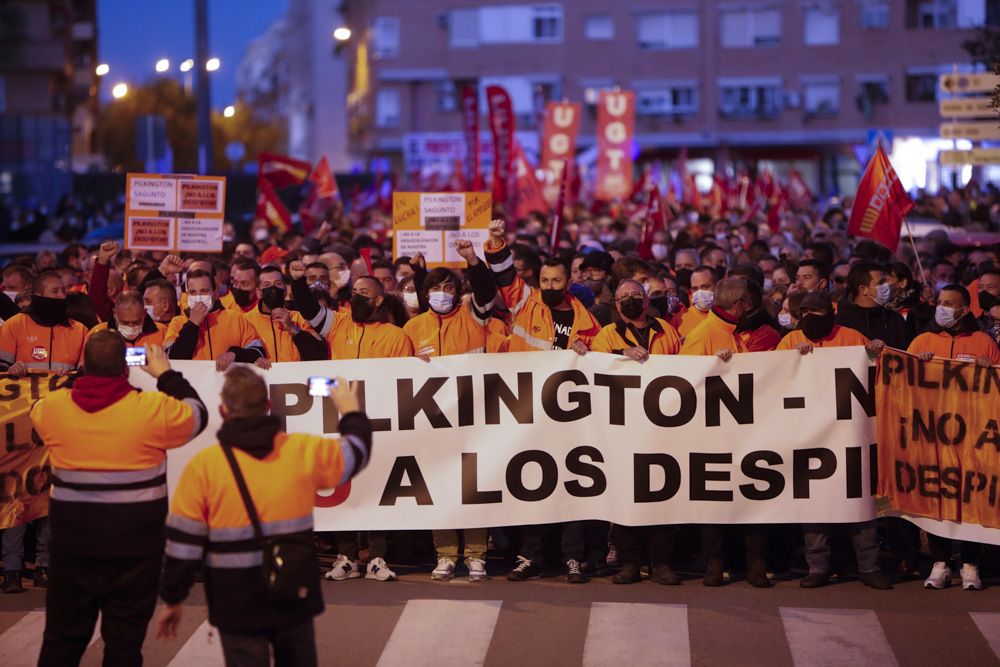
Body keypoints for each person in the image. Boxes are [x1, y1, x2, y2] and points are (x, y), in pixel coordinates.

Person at [156, 366, 372, 666]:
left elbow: (183, 544)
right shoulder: (301, 451)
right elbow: (357, 451)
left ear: (224, 410)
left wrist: (173, 599)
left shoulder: (204, 467)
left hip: (235, 596)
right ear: (268, 407)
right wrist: (350, 411)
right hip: (292, 587)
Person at [29, 335, 207, 665]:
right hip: (136, 552)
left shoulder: (53, 409)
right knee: (124, 645)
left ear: (84, 366)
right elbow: (198, 415)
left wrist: (75, 378)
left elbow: (37, 411)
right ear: (126, 368)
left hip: (73, 550)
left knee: (61, 642)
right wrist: (166, 374)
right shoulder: (152, 409)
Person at [483, 218, 600, 583]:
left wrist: (589, 349)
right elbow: (503, 275)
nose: (550, 286)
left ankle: (572, 559)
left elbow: (602, 356)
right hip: (527, 413)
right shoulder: (525, 302)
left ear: (569, 282)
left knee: (572, 486)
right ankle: (529, 556)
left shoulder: (586, 320)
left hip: (568, 419)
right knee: (532, 484)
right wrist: (498, 242)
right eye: (545, 280)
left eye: (557, 281)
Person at [776, 291, 893, 590]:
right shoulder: (790, 341)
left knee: (859, 501)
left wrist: (876, 353)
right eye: (805, 313)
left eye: (817, 312)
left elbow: (872, 373)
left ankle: (869, 567)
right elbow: (773, 379)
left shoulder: (852, 337)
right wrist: (792, 360)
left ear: (831, 312)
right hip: (810, 436)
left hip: (849, 435)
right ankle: (818, 567)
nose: (810, 319)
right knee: (815, 502)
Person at [403, 240, 495, 582]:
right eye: (435, 288)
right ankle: (445, 555)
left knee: (473, 487)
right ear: (425, 294)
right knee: (438, 488)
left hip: (472, 418)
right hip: (433, 423)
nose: (441, 293)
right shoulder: (412, 328)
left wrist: (472, 259)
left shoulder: (474, 314)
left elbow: (486, 291)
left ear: (458, 292)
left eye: (448, 287)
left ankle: (475, 555)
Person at [907, 284, 999, 591]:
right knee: (938, 494)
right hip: (934, 434)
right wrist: (916, 365)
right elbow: (902, 383)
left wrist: (991, 370)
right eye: (940, 302)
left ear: (964, 309)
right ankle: (941, 562)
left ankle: (970, 564)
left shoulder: (984, 342)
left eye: (949, 303)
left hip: (972, 435)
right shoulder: (923, 340)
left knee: (969, 494)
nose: (941, 307)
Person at [590, 279, 683, 585]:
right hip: (623, 429)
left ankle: (662, 563)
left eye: (634, 296)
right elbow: (596, 367)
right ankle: (630, 562)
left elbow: (686, 372)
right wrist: (621, 354)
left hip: (662, 426)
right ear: (615, 305)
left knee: (663, 495)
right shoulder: (607, 335)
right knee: (626, 497)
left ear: (646, 300)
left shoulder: (667, 332)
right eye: (622, 297)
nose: (629, 301)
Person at [680, 278, 770, 587]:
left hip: (741, 431)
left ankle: (753, 562)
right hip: (711, 433)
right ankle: (715, 563)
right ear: (741, 304)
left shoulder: (734, 334)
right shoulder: (703, 335)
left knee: (750, 496)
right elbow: (684, 385)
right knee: (715, 500)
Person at [164, 270, 266, 371]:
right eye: (193, 292)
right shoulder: (177, 322)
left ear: (216, 294)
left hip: (229, 385)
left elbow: (258, 351)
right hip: (192, 385)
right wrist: (192, 324)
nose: (198, 297)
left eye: (204, 291)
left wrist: (234, 354)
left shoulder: (236, 318)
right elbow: (171, 358)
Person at [0, 271, 88, 376]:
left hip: (64, 391)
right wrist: (12, 369)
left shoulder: (80, 330)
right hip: (23, 392)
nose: (62, 296)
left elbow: (87, 373)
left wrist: (72, 375)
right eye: (55, 291)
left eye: (63, 291)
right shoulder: (13, 325)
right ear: (38, 296)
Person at [241, 265, 327, 365]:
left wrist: (293, 329)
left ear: (285, 290)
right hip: (260, 379)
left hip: (295, 379)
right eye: (267, 285)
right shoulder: (245, 321)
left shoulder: (299, 318)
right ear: (259, 293)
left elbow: (319, 355)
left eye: (278, 284)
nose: (273, 289)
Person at [87, 291, 167, 348]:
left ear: (144, 313)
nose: (131, 326)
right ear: (115, 314)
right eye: (124, 322)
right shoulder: (97, 333)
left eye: (136, 322)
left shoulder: (162, 331)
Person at [678, 266, 716, 337]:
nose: (700, 292)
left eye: (705, 287)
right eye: (695, 288)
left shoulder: (728, 316)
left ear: (717, 287)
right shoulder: (680, 319)